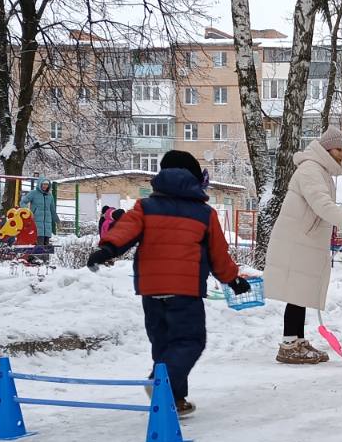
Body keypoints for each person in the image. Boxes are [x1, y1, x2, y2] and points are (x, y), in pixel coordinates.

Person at [86, 150, 247, 416]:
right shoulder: (204, 213)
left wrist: (106, 250)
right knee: (190, 341)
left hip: (151, 290)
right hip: (185, 291)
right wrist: (233, 279)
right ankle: (162, 384)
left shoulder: (146, 207)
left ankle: (175, 399)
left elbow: (125, 230)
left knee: (163, 345)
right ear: (196, 179)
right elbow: (218, 255)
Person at [262, 128, 342, 364]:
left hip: (305, 241)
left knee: (302, 292)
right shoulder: (310, 169)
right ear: (327, 148)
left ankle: (298, 341)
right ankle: (289, 344)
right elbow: (321, 202)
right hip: (297, 241)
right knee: (296, 292)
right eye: (339, 149)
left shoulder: (320, 171)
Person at [21, 180, 59, 248]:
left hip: (47, 224)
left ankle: (44, 254)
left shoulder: (50, 196)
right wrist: (28, 212)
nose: (45, 186)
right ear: (40, 184)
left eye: (46, 184)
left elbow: (52, 210)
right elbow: (22, 202)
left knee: (46, 247)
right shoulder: (33, 193)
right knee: (39, 245)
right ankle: (37, 254)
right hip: (36, 222)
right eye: (43, 184)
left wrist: (57, 220)